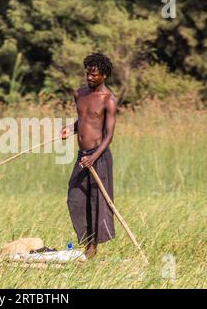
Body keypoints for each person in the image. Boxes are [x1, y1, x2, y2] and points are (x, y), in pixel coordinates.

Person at [60, 52, 117, 258]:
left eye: (94, 74)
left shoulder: (109, 100)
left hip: (98, 156)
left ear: (104, 75)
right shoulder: (80, 94)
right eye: (88, 73)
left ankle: (92, 248)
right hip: (82, 155)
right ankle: (86, 241)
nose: (90, 77)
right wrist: (69, 128)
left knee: (97, 201)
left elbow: (109, 135)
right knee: (75, 198)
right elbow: (83, 121)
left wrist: (93, 157)